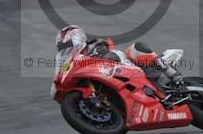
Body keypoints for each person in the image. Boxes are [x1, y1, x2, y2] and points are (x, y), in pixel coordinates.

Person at [55, 25, 184, 89]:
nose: (66, 48)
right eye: (63, 47)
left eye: (68, 44)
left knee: (135, 49)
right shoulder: (70, 63)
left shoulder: (92, 45)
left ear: (79, 38)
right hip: (113, 83)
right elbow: (60, 77)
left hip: (129, 69)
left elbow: (108, 43)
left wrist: (100, 46)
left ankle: (172, 74)